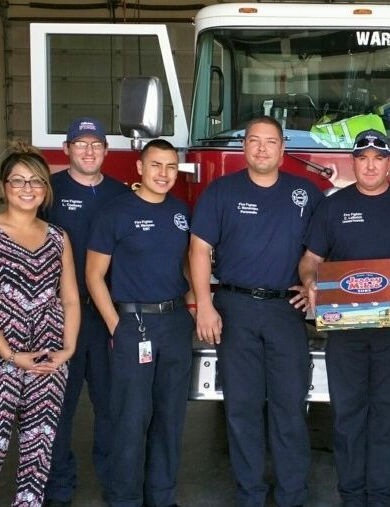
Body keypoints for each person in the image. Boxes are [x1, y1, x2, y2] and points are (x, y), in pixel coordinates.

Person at [299, 129, 390, 507]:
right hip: (344, 331)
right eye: (362, 158)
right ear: (354, 163)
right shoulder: (332, 206)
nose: (370, 165)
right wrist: (311, 281)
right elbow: (310, 260)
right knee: (347, 416)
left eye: (377, 158)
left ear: (387, 164)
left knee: (386, 417)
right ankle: (351, 495)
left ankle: (380, 497)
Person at [189, 116, 322, 507]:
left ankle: (291, 495)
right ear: (244, 147)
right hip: (234, 309)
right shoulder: (221, 192)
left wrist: (316, 286)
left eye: (270, 142)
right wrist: (204, 305)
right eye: (254, 141)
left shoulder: (307, 193)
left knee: (289, 408)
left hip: (286, 310)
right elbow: (198, 250)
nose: (262, 148)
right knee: (241, 408)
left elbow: (321, 251)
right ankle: (249, 494)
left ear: (283, 150)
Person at [0, 142, 79, 506]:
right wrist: (11, 355)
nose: (27, 189)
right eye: (18, 181)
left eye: (36, 182)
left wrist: (69, 348)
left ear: (46, 189)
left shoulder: (58, 238)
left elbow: (71, 297)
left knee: (38, 449)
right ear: (3, 187)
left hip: (48, 357)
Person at [86, 139, 195, 507]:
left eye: (170, 166)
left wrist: (193, 304)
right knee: (131, 418)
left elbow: (183, 263)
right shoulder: (115, 213)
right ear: (140, 168)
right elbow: (94, 276)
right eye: (155, 166)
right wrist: (117, 324)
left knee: (170, 415)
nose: (163, 174)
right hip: (134, 324)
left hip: (176, 323)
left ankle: (162, 497)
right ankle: (124, 498)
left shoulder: (181, 212)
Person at [43, 116, 130, 506]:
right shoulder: (47, 193)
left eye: (96, 144)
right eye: (81, 143)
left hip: (107, 316)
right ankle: (58, 489)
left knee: (112, 407)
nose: (89, 150)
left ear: (106, 152)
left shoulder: (122, 194)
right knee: (57, 408)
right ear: (67, 150)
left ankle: (116, 488)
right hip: (59, 319)